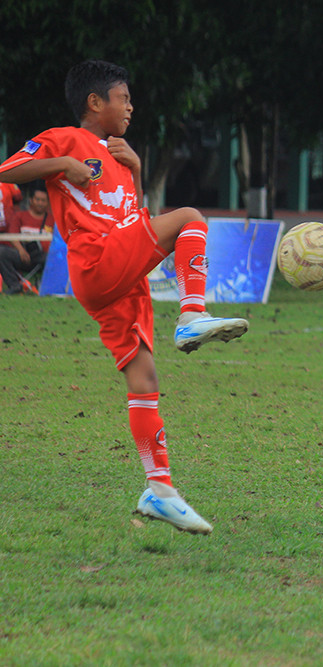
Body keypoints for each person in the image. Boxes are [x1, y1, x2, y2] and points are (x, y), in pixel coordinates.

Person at [0, 59, 250, 534]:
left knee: (144, 376)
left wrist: (135, 170)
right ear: (95, 103)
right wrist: (63, 164)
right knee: (191, 217)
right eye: (124, 98)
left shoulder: (119, 153)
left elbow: (134, 220)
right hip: (96, 262)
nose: (131, 107)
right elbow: (9, 170)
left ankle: (160, 491)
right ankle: (192, 314)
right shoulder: (65, 138)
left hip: (120, 277)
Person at [0, 188, 50, 293]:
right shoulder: (20, 216)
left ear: (47, 203)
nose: (40, 203)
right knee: (2, 252)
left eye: (43, 200)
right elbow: (12, 236)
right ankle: (14, 286)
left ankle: (45, 286)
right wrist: (21, 250)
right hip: (25, 255)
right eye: (37, 199)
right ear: (31, 200)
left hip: (47, 257)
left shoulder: (53, 219)